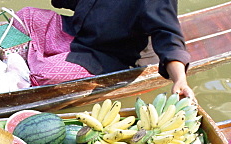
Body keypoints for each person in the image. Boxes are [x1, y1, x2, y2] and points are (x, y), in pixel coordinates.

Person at [15, 0, 194, 100]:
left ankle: (24, 67)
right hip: (79, 33)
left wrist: (180, 80)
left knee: (46, 74)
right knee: (25, 15)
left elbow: (168, 36)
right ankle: (17, 64)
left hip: (107, 54)